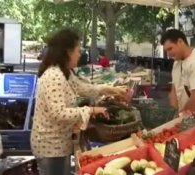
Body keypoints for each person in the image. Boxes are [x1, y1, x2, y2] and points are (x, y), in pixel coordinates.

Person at [31, 29, 128, 175]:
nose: (80, 54)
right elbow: (58, 114)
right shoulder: (54, 76)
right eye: (78, 50)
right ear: (68, 52)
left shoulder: (64, 73)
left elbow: (84, 88)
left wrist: (112, 90)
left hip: (59, 144)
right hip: (50, 147)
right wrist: (91, 110)